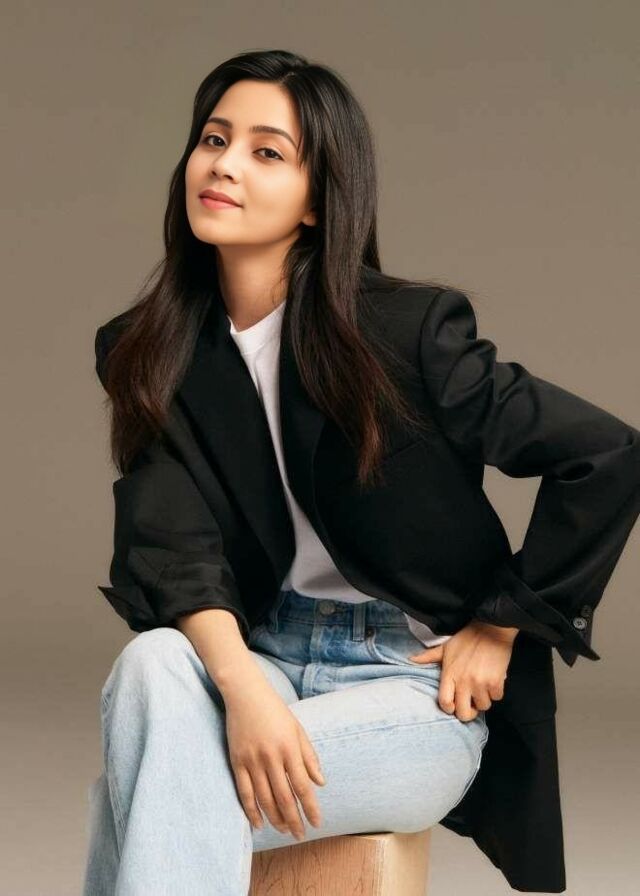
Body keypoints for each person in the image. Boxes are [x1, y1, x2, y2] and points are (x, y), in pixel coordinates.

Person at [82, 49, 640, 895]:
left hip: (411, 687)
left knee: (155, 781)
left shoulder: (404, 332)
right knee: (152, 665)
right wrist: (245, 691)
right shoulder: (148, 350)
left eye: (267, 152)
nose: (224, 165)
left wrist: (504, 624)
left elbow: (604, 454)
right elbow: (171, 542)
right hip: (263, 657)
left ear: (317, 201)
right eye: (213, 140)